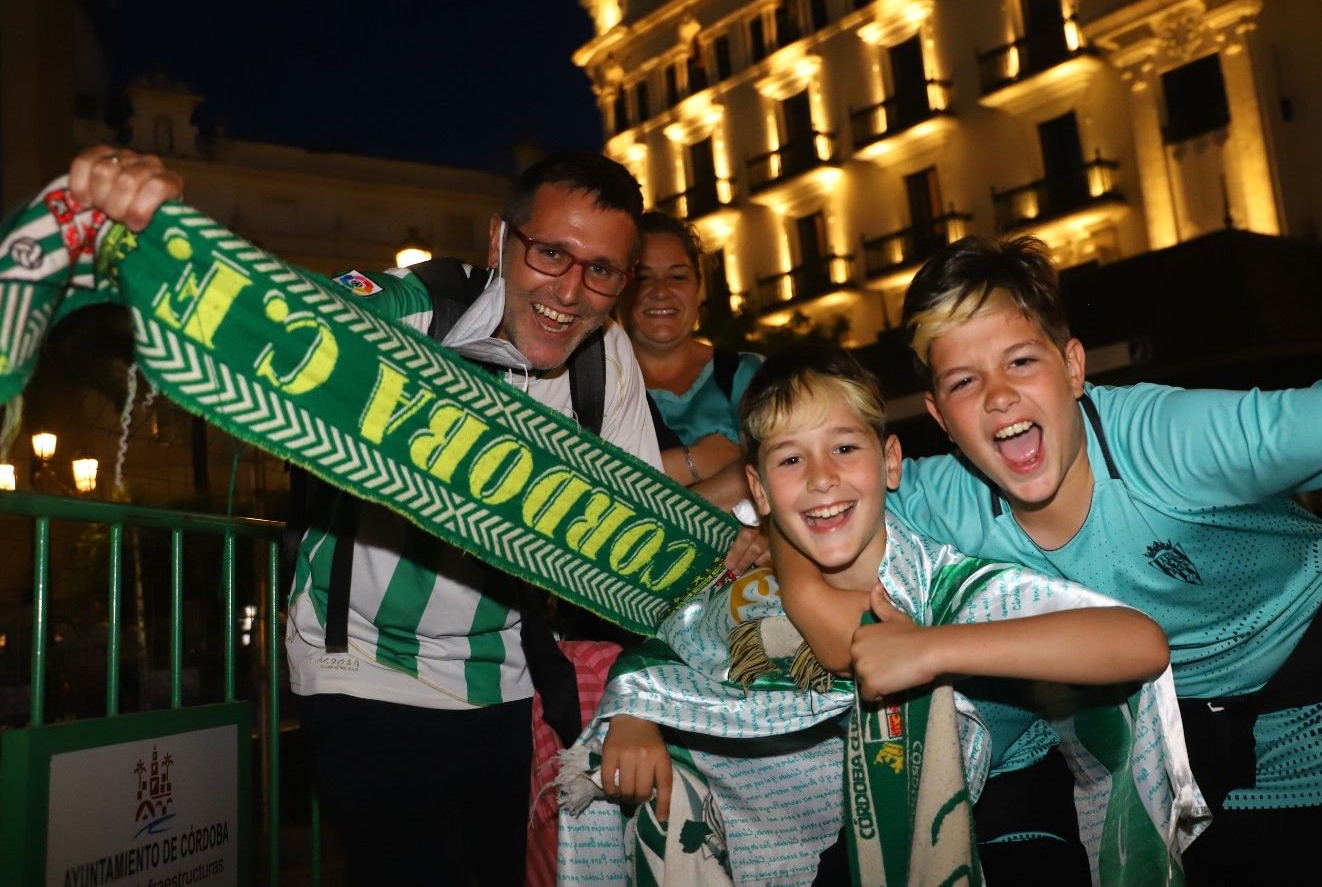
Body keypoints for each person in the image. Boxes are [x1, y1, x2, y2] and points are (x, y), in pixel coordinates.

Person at [776, 234, 1322, 885]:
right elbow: (783, 496)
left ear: (1073, 368)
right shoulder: (935, 493)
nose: (996, 395)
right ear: (939, 418)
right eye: (963, 380)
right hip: (1187, 752)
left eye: (1021, 360)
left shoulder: (1163, 440)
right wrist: (806, 594)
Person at [65, 145, 669, 886]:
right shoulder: (423, 305)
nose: (570, 289)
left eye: (601, 269)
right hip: (364, 674)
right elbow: (293, 315)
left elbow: (645, 541)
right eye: (551, 253)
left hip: (504, 684)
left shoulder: (608, 362)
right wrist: (162, 229)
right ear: (499, 241)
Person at [559, 345, 1195, 886]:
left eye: (843, 448)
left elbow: (1136, 641)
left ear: (890, 461)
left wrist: (932, 648)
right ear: (757, 490)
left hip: (988, 827)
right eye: (789, 459)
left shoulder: (933, 583)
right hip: (798, 847)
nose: (820, 478)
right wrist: (637, 717)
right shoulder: (749, 595)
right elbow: (672, 656)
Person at [620, 211, 760, 509]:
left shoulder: (751, 376)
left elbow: (782, 472)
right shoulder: (595, 388)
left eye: (677, 276)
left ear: (698, 288)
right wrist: (697, 460)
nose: (661, 291)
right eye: (643, 277)